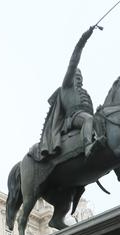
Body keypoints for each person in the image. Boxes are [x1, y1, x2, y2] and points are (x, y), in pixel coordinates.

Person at [35, 26, 97, 161]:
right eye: (76, 74)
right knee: (89, 119)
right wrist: (82, 40)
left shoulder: (84, 92)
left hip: (88, 116)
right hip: (73, 118)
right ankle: (87, 147)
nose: (79, 77)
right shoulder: (67, 86)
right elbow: (73, 62)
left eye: (81, 75)